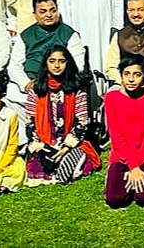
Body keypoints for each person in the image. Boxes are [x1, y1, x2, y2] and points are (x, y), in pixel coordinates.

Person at [23, 45, 101, 186]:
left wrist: (65, 148)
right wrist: (41, 146)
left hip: (69, 143)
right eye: (52, 61)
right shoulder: (37, 89)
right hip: (43, 144)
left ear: (68, 63)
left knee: (64, 172)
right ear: (46, 63)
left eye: (61, 61)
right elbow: (30, 121)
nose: (57, 66)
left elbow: (82, 122)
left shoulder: (77, 88)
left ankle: (71, 163)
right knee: (36, 171)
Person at [104, 54, 144, 209]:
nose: (131, 79)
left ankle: (139, 179)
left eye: (137, 75)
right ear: (121, 75)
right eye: (127, 74)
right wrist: (134, 167)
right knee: (115, 200)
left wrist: (136, 166)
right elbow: (116, 136)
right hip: (120, 155)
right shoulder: (111, 97)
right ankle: (122, 178)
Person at [9, 0, 86, 102]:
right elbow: (14, 66)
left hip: (61, 84)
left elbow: (78, 63)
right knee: (11, 93)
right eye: (43, 12)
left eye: (52, 10)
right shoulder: (26, 35)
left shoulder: (69, 34)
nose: (49, 15)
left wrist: (55, 81)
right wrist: (26, 84)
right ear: (35, 14)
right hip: (32, 84)